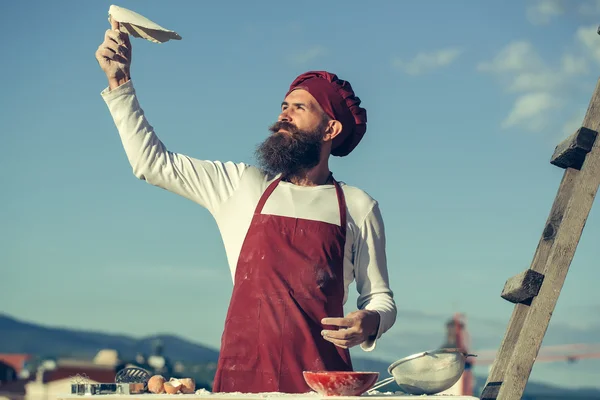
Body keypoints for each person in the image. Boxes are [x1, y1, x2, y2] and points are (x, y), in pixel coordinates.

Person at [95, 21, 397, 394]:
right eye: (284, 106)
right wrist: (119, 82)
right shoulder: (242, 185)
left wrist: (370, 321)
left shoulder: (357, 206)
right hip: (241, 384)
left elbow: (380, 297)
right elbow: (151, 163)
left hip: (323, 388)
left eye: (299, 108)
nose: (284, 114)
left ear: (330, 129)